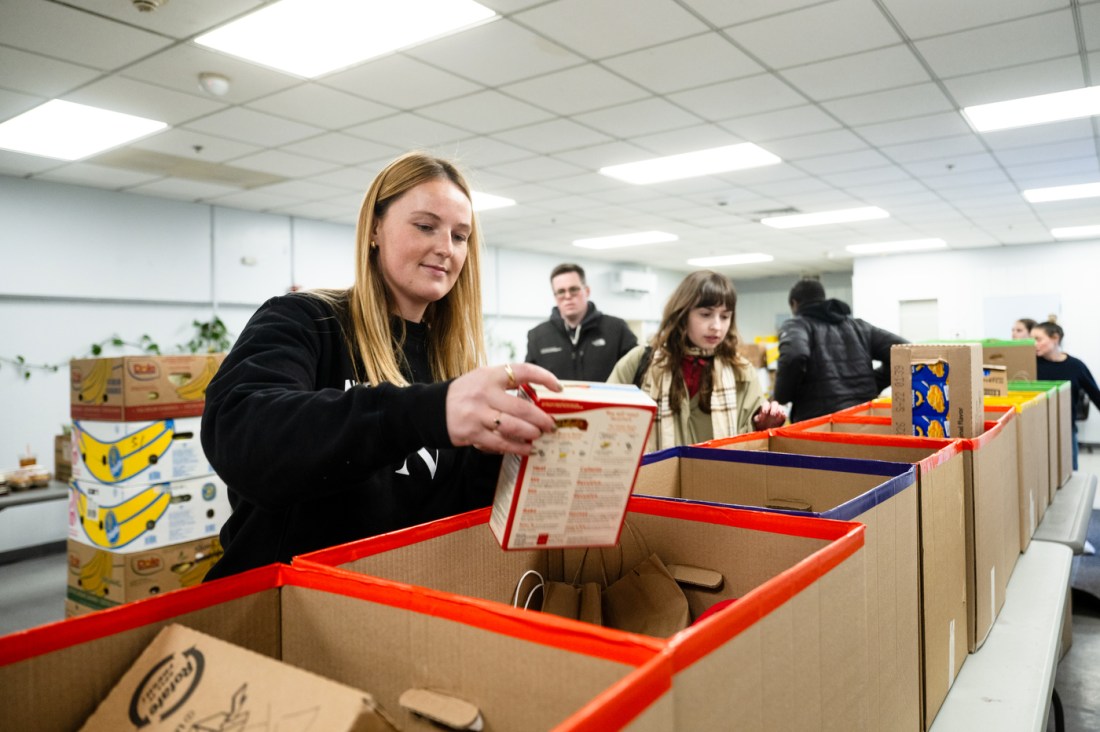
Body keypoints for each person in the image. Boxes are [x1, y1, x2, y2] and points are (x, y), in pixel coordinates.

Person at [200, 152, 561, 581]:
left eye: (460, 236)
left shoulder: (452, 364)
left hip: (389, 609)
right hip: (284, 605)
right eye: (425, 226)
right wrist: (426, 412)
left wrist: (498, 457)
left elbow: (447, 512)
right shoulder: (304, 320)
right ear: (374, 228)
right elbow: (243, 436)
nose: (445, 248)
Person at [607, 270, 786, 451]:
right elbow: (605, 420)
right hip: (654, 477)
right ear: (683, 314)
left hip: (716, 477)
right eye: (705, 314)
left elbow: (750, 444)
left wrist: (763, 425)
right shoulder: (640, 362)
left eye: (724, 316)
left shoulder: (741, 371)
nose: (716, 326)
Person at [773, 278, 907, 423]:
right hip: (863, 418)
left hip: (819, 424)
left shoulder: (797, 325)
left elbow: (794, 355)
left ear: (794, 304)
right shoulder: (859, 327)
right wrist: (872, 384)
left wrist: (781, 397)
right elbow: (905, 351)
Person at [525, 263, 638, 381]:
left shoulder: (617, 330)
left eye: (573, 289)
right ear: (555, 296)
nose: (568, 296)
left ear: (587, 291)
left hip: (606, 399)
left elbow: (638, 372)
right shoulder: (537, 336)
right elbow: (529, 382)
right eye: (561, 291)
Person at [1031, 321, 1100, 470]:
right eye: (1032, 339)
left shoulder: (1075, 366)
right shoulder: (1031, 364)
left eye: (1038, 339)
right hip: (1036, 431)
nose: (1033, 344)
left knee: (1071, 474)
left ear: (1055, 338)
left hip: (1066, 430)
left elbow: (1096, 395)